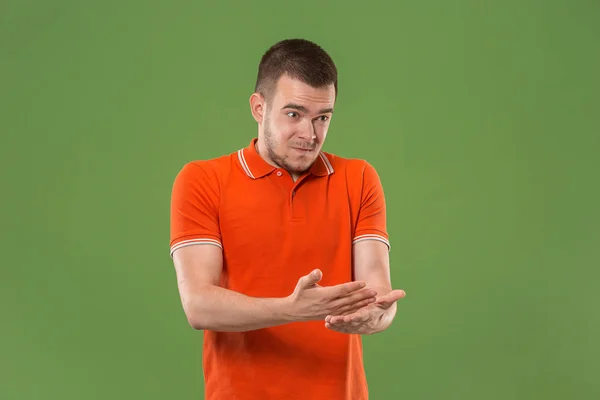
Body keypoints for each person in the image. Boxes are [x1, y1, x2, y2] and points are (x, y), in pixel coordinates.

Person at [169, 38, 406, 400]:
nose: (309, 135)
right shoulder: (203, 180)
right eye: (294, 114)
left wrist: (377, 317)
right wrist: (292, 310)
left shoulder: (358, 179)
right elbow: (198, 305)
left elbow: (378, 293)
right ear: (258, 107)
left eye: (322, 118)